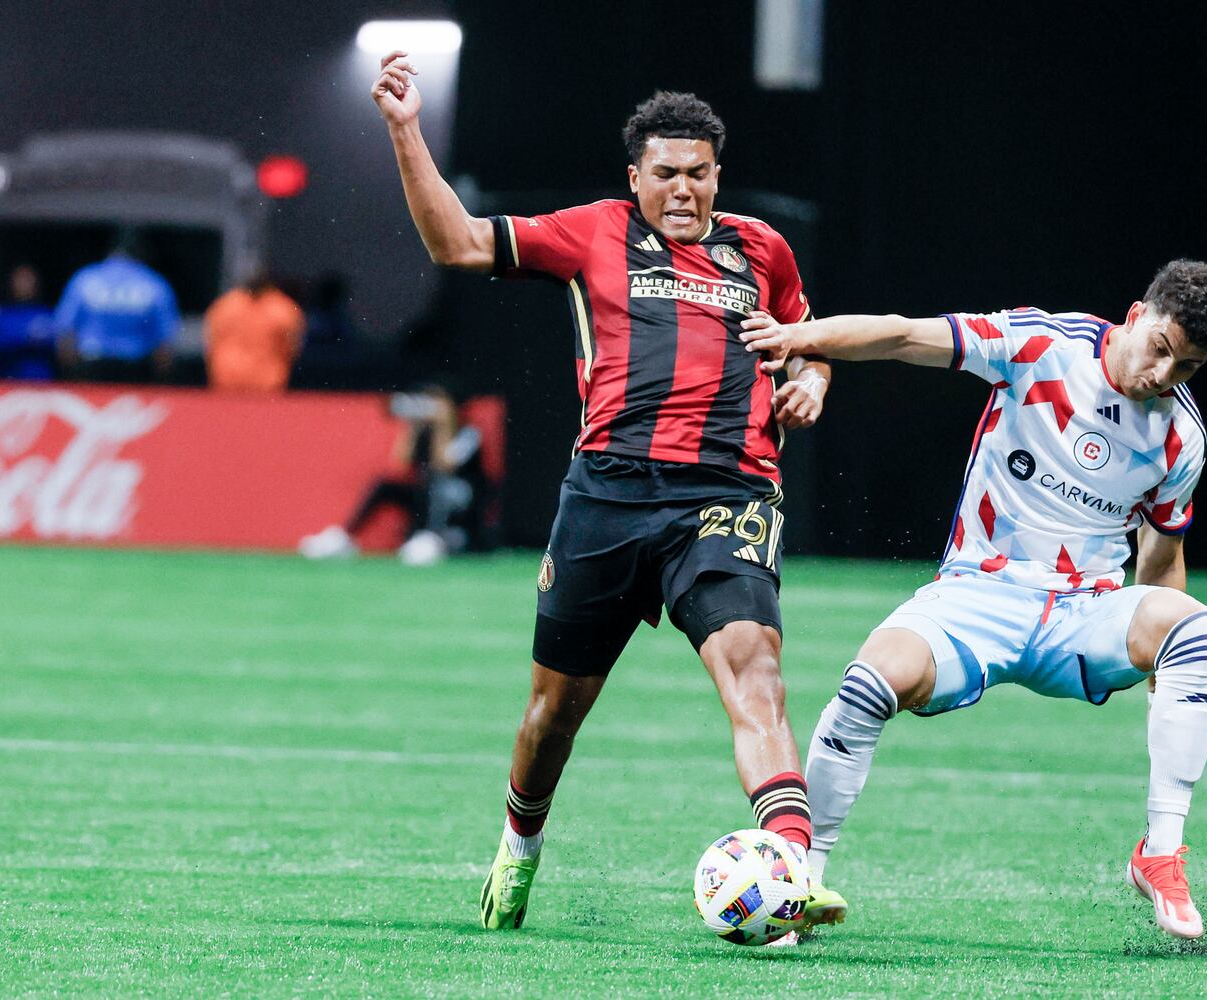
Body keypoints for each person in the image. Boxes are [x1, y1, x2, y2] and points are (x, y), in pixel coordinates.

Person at [371, 53, 843, 932]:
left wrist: (811, 376)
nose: (683, 190)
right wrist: (405, 127)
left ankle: (792, 868)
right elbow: (459, 242)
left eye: (698, 175)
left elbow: (805, 339)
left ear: (716, 177)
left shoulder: (763, 250)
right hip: (608, 497)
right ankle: (520, 845)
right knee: (553, 714)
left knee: (757, 673)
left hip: (727, 495)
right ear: (636, 177)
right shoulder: (592, 231)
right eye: (665, 174)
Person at [740, 259, 1207, 941]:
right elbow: (901, 335)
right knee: (869, 681)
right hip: (976, 597)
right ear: (1135, 316)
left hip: (1082, 615)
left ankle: (1160, 852)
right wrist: (802, 336)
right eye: (1159, 348)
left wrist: (1164, 671)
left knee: (1196, 626)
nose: (1161, 375)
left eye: (1184, 368)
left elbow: (1162, 559)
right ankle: (800, 879)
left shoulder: (1182, 437)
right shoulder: (1043, 347)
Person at [298, 386, 468, 566]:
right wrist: (414, 427)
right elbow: (401, 461)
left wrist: (444, 426)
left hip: (455, 498)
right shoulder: (425, 431)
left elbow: (445, 466)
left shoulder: (469, 433)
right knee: (384, 485)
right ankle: (344, 537)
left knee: (439, 486)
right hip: (424, 495)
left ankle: (432, 539)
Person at [54, 233, 180, 384]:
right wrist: (162, 379)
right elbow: (165, 341)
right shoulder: (153, 282)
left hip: (91, 365)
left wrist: (70, 374)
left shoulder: (85, 278)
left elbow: (65, 329)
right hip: (135, 369)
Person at [203, 272, 305, 393]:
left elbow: (210, 342)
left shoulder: (225, 305)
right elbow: (293, 348)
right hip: (267, 382)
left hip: (228, 379)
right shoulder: (283, 309)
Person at [0, 264, 57, 381]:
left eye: (28, 280)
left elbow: (60, 344)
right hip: (6, 385)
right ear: (11, 283)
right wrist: (28, 337)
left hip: (41, 387)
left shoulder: (46, 314)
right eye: (20, 280)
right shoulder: (0, 314)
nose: (24, 285)